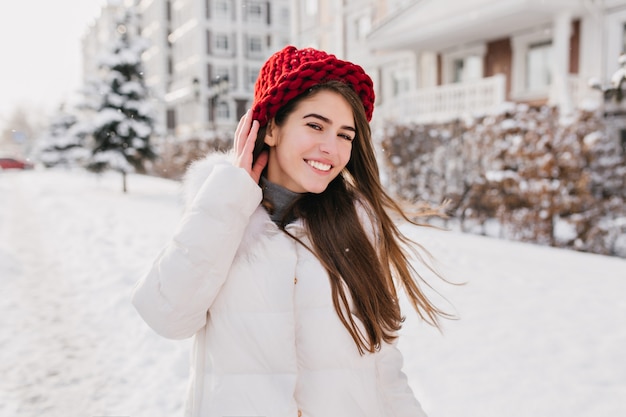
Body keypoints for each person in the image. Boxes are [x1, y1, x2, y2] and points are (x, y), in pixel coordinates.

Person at [132, 45, 449, 417]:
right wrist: (231, 194)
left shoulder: (356, 228)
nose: (331, 147)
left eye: (346, 135)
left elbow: (383, 368)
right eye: (315, 125)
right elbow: (166, 315)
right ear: (271, 129)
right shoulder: (220, 216)